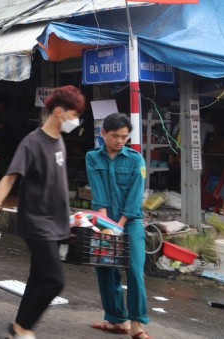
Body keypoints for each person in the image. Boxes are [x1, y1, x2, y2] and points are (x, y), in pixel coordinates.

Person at [0, 85, 85, 339]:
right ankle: (21, 328)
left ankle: (18, 329)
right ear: (59, 112)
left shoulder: (59, 140)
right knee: (54, 280)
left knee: (38, 279)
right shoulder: (32, 142)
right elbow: (9, 179)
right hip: (37, 223)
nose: (76, 120)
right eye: (74, 114)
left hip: (56, 223)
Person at [86, 113, 153, 339]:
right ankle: (115, 320)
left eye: (124, 137)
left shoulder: (136, 160)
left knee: (134, 270)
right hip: (105, 219)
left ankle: (136, 324)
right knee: (104, 268)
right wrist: (106, 225)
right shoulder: (93, 157)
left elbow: (135, 197)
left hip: (131, 221)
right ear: (103, 133)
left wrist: (120, 225)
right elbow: (99, 194)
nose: (120, 141)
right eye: (115, 136)